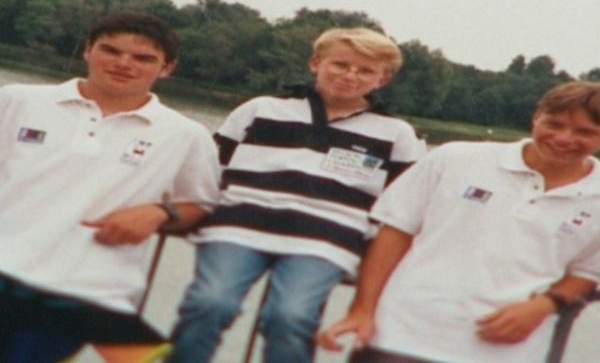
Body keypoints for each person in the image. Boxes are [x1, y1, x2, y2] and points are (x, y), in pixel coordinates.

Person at [166, 27, 425, 363]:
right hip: (237, 229)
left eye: (365, 71)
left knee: (290, 317)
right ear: (316, 63)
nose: (350, 75)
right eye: (340, 64)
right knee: (210, 302)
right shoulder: (261, 109)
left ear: (382, 80)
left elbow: (401, 206)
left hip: (326, 241)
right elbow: (209, 169)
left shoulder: (397, 134)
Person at [318, 81, 600, 363]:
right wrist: (362, 310)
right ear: (537, 116)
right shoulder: (455, 157)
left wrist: (544, 306)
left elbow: (587, 271)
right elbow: (394, 231)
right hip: (400, 335)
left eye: (584, 132)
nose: (564, 138)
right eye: (554, 124)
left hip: (508, 353)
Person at [0, 11, 220, 362]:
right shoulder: (17, 100)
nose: (124, 63)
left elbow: (202, 203)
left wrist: (160, 212)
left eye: (143, 58)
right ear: (87, 50)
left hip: (84, 295)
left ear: (167, 68)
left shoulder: (186, 135)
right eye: (111, 51)